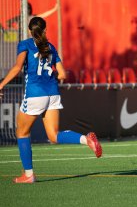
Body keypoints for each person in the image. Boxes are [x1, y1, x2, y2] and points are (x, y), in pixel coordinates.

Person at [0, 17, 102, 184]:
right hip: (53, 94)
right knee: (53, 136)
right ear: (45, 30)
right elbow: (62, 74)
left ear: (29, 31)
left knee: (21, 132)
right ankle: (86, 139)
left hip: (35, 94)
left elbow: (17, 68)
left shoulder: (25, 44)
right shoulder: (51, 47)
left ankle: (28, 174)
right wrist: (50, 75)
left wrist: (1, 84)